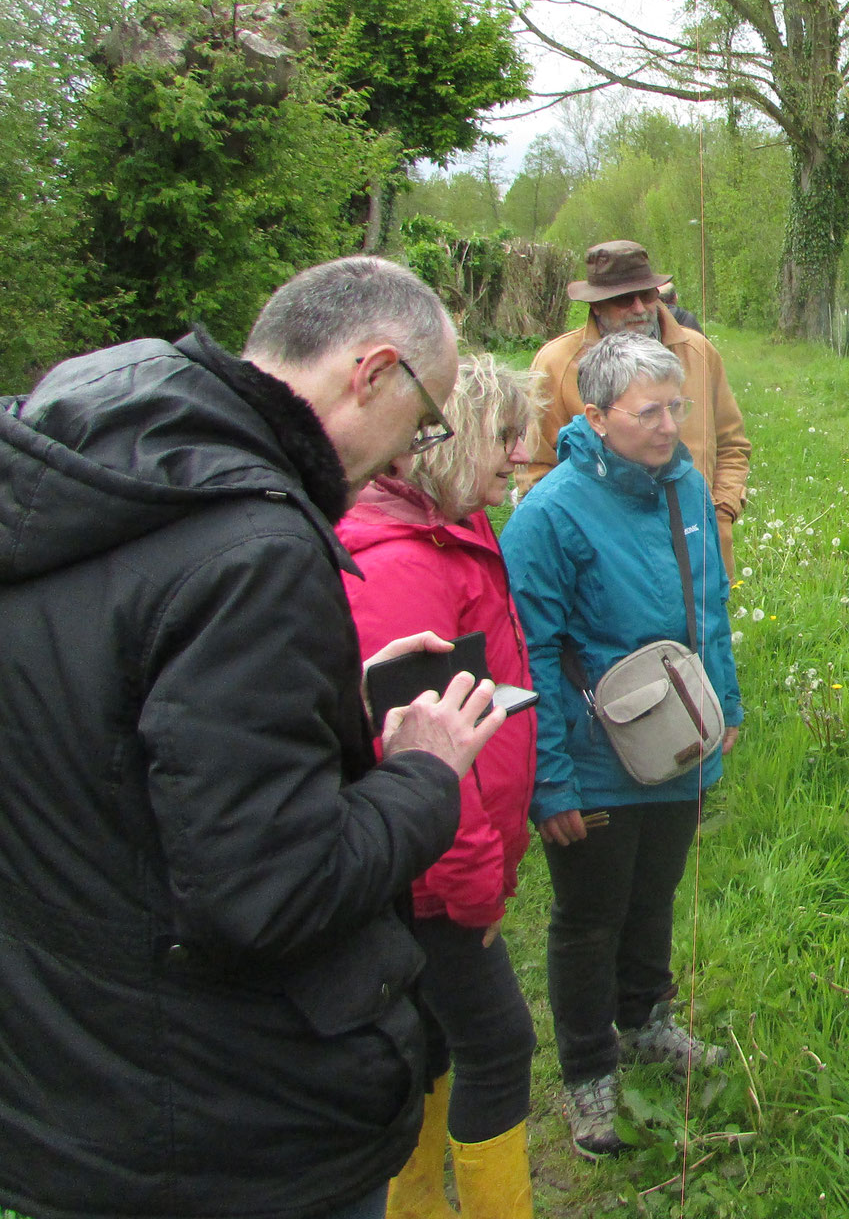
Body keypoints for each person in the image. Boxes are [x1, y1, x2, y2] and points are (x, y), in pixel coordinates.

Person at [0, 257, 504, 1219]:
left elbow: (116, 742)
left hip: (64, 1085)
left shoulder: (82, 485)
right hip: (224, 1125)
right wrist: (420, 774)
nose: (411, 453)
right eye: (426, 417)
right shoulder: (253, 550)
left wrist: (319, 706)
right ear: (374, 374)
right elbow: (267, 895)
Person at [500, 331, 743, 1160]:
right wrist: (552, 784)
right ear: (597, 417)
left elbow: (708, 608)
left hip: (679, 744)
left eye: (677, 407)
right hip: (593, 756)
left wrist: (726, 708)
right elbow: (528, 653)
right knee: (589, 917)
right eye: (650, 411)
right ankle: (587, 1074)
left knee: (654, 894)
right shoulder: (547, 514)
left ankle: (645, 1021)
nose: (671, 425)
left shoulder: (685, 489)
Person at [339, 355, 542, 1219]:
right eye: (502, 436)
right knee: (498, 1044)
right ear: (444, 443)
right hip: (434, 871)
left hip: (439, 857)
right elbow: (419, 753)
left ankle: (412, 1205)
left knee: (427, 1043)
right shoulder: (403, 565)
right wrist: (469, 885)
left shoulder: (452, 530)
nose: (519, 454)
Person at [520, 240, 749, 577]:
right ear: (596, 306)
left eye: (648, 295)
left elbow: (732, 445)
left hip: (699, 550)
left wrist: (721, 514)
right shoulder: (555, 365)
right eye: (623, 299)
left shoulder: (698, 351)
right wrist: (586, 542)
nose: (640, 308)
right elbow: (535, 470)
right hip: (610, 567)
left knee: (706, 630)